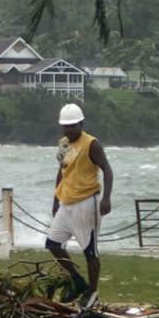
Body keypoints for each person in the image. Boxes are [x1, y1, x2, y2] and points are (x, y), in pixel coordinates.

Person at [46, 103, 113, 307]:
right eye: (65, 126)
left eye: (72, 126)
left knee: (90, 250)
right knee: (53, 244)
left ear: (81, 124)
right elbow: (62, 170)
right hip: (66, 201)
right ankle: (77, 280)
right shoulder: (64, 144)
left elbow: (107, 170)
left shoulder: (91, 144)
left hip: (87, 201)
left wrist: (106, 198)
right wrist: (56, 199)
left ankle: (92, 293)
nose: (68, 130)